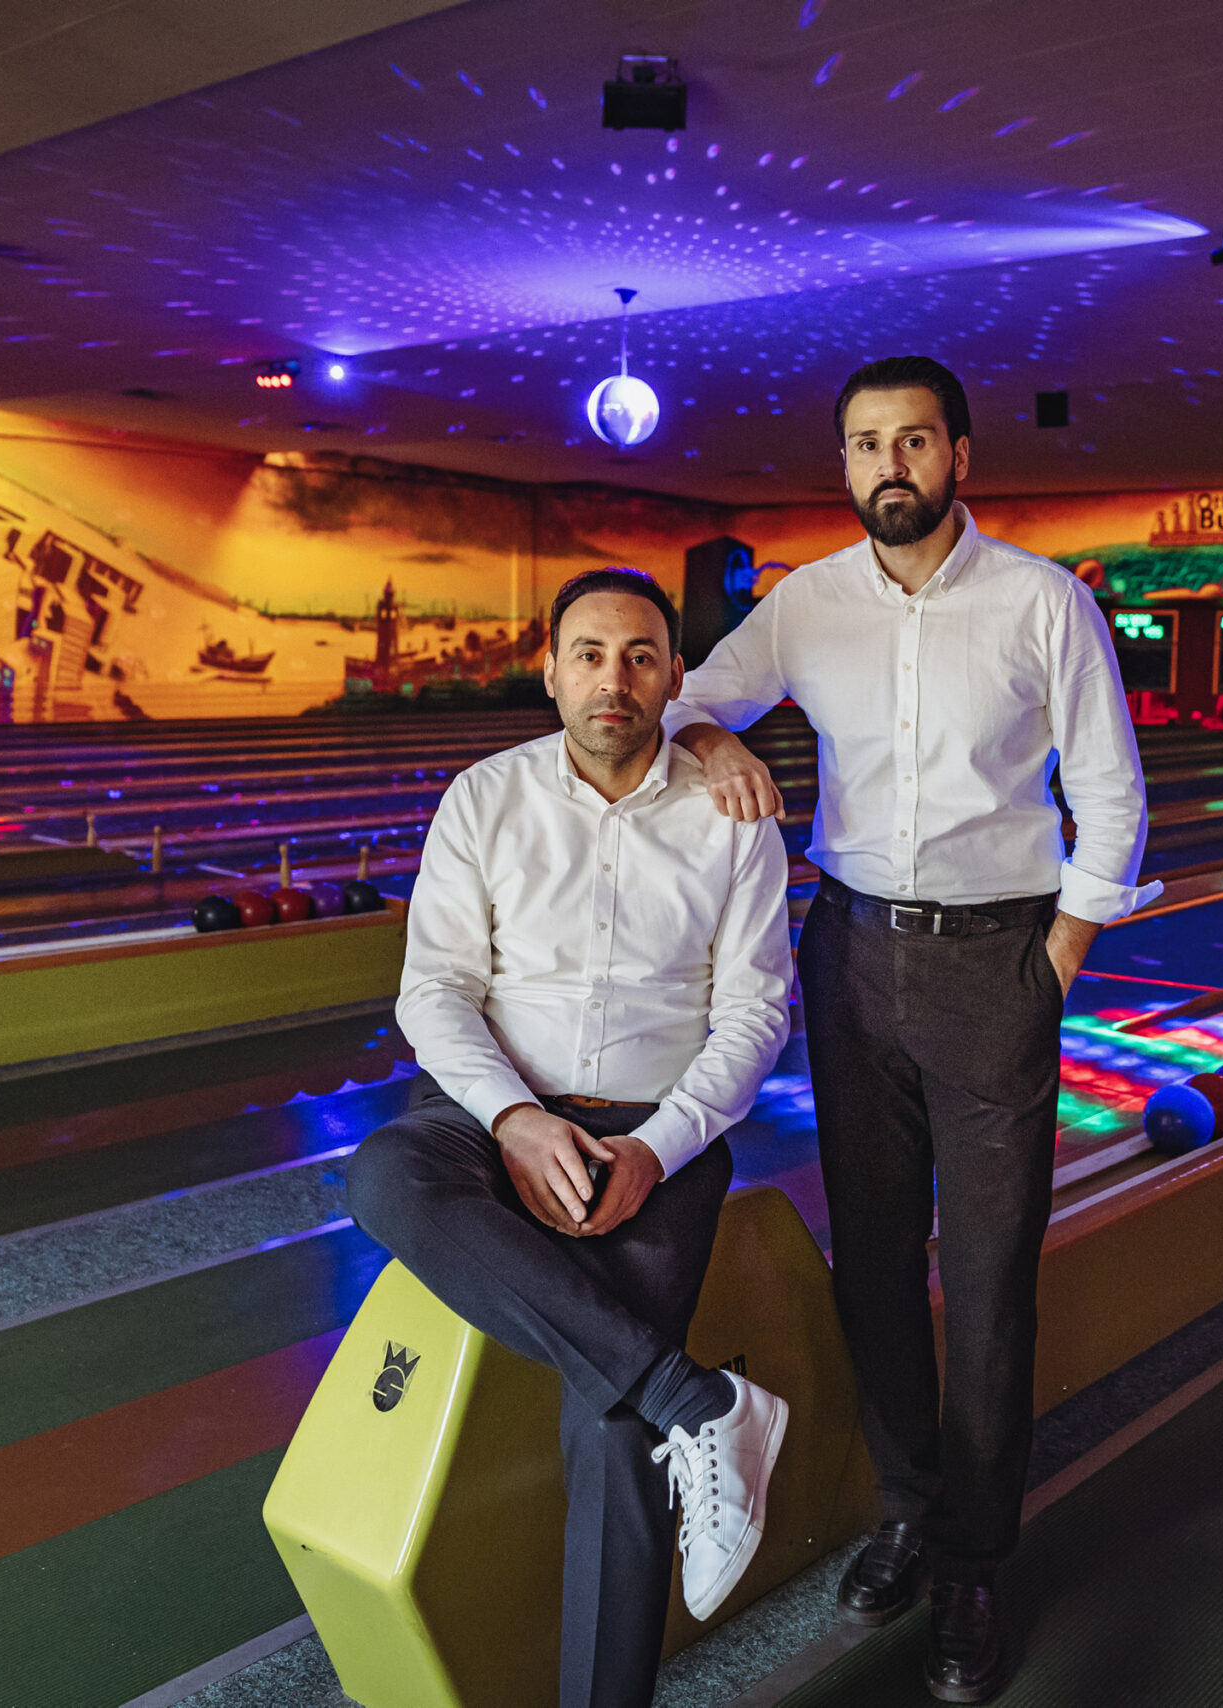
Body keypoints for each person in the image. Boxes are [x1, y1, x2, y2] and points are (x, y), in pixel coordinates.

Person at [662, 356, 1158, 1703]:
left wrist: (1054, 962)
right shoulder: (806, 605)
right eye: (867, 444)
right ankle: (905, 1503)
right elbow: (681, 702)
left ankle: (978, 1557)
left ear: (960, 456)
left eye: (916, 441)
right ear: (845, 466)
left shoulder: (1043, 602)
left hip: (998, 961)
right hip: (851, 955)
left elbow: (1112, 798)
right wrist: (711, 744)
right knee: (872, 1261)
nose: (892, 464)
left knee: (991, 1281)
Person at [346, 568, 794, 1708]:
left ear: (675, 678)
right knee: (385, 1174)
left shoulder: (730, 816)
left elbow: (753, 1012)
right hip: (493, 1109)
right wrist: (515, 1115)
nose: (613, 678)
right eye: (588, 654)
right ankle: (701, 1404)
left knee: (606, 1422)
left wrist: (661, 1145)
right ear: (549, 671)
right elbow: (434, 990)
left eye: (640, 655)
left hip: (658, 1129)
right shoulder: (483, 798)